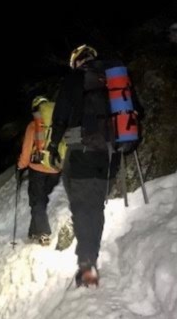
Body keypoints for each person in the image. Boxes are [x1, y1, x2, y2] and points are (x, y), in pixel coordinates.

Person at [47, 44, 127, 287]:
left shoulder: (74, 80)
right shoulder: (111, 80)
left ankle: (86, 265)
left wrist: (53, 146)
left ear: (76, 62)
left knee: (82, 207)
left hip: (80, 151)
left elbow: (60, 114)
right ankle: (90, 257)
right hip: (107, 155)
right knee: (95, 206)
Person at [17, 96, 63, 245]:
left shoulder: (33, 125)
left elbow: (26, 149)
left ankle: (43, 232)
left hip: (37, 168)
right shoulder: (58, 122)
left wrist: (21, 165)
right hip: (55, 168)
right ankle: (33, 231)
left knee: (37, 200)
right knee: (40, 200)